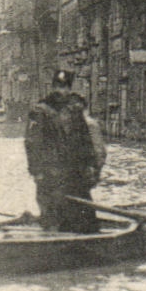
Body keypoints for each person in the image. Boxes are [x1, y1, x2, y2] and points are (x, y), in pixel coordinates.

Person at [24, 70, 105, 232]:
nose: (62, 91)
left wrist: (90, 165)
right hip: (50, 171)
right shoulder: (41, 111)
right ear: (53, 87)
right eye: (58, 87)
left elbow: (85, 141)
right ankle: (53, 239)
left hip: (75, 171)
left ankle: (85, 238)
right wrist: (36, 171)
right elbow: (32, 144)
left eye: (65, 87)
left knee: (83, 213)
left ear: (69, 88)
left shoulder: (74, 111)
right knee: (52, 212)